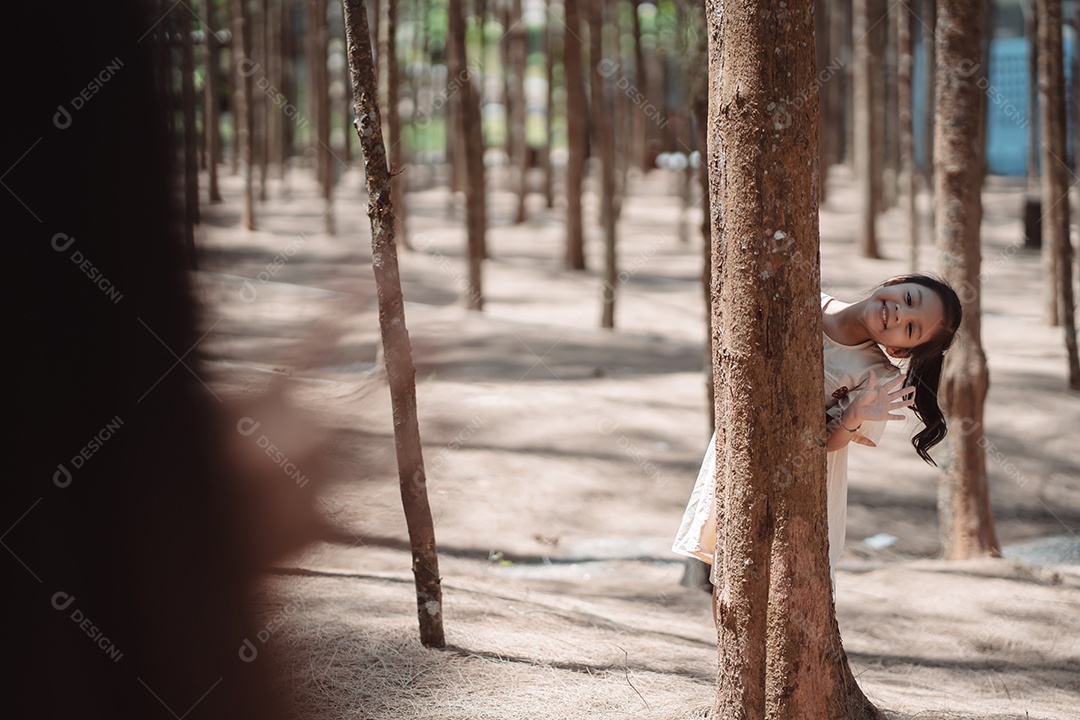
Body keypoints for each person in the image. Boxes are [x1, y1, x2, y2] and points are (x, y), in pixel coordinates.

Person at [672, 274, 962, 592]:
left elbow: (828, 444)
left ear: (900, 350)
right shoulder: (802, 296)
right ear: (896, 281)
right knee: (731, 576)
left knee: (783, 583)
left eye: (909, 329)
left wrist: (851, 417)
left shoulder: (878, 376)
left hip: (805, 479)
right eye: (908, 299)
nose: (899, 314)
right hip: (746, 452)